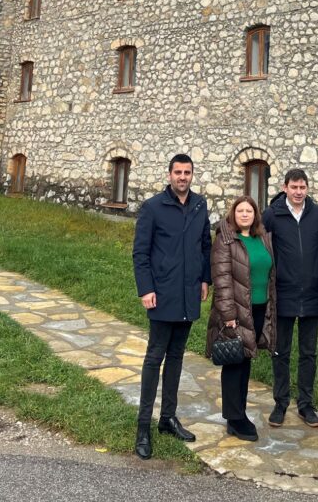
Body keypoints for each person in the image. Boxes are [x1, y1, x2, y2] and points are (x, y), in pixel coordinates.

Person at [132, 153, 211, 461]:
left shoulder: (200, 205)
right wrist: (146, 288)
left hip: (189, 293)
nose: (182, 177)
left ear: (192, 175)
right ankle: (142, 426)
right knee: (155, 357)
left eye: (187, 172)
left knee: (177, 356)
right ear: (169, 175)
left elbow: (205, 244)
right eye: (177, 172)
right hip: (162, 293)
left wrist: (205, 279)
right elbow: (141, 253)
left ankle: (168, 417)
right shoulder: (153, 207)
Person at [206, 195, 277, 441]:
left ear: (256, 215)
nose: (245, 215)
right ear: (233, 214)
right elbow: (222, 279)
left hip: (257, 310)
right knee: (234, 362)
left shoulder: (261, 238)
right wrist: (228, 316)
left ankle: (239, 413)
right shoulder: (226, 240)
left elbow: (268, 274)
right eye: (240, 211)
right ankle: (235, 418)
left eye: (249, 211)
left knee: (245, 361)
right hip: (235, 313)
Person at [262, 167, 318, 428]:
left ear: (307, 189)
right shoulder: (272, 215)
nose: (299, 192)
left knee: (308, 353)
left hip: (312, 294)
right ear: (285, 187)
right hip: (283, 294)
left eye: (303, 188)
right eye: (294, 187)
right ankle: (280, 403)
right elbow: (263, 248)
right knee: (281, 351)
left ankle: (306, 404)